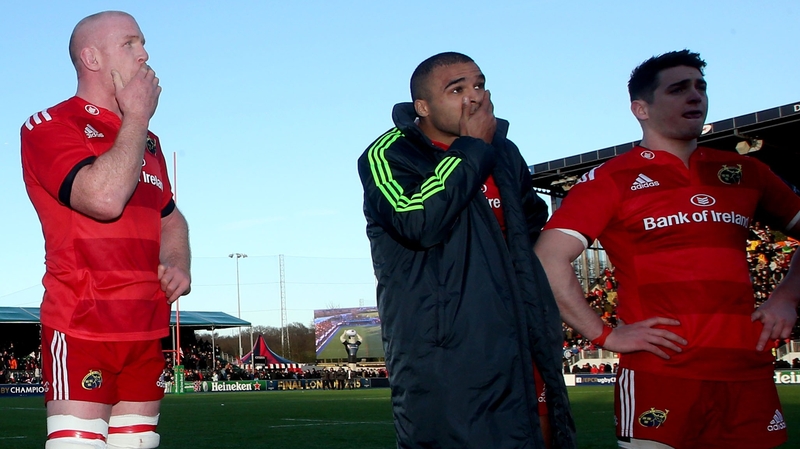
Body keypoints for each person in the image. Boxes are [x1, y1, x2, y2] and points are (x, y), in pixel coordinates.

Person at [535, 50, 800, 448]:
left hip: (749, 373)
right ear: (640, 108)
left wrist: (787, 296)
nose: (695, 96)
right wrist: (603, 335)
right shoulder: (611, 178)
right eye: (678, 89)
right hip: (661, 376)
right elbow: (548, 257)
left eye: (700, 87)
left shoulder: (746, 171)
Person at [357, 52, 575, 448]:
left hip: (520, 341)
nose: (472, 97)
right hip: (445, 354)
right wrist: (473, 148)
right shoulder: (389, 154)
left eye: (478, 85)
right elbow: (417, 222)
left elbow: (528, 224)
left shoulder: (504, 153)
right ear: (422, 106)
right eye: (456, 89)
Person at [20, 11, 191, 449]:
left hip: (144, 327)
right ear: (92, 58)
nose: (145, 54)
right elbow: (103, 198)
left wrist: (177, 260)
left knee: (138, 443)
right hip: (82, 325)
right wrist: (137, 117)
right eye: (130, 43)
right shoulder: (50, 126)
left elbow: (171, 217)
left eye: (143, 43)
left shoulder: (146, 143)